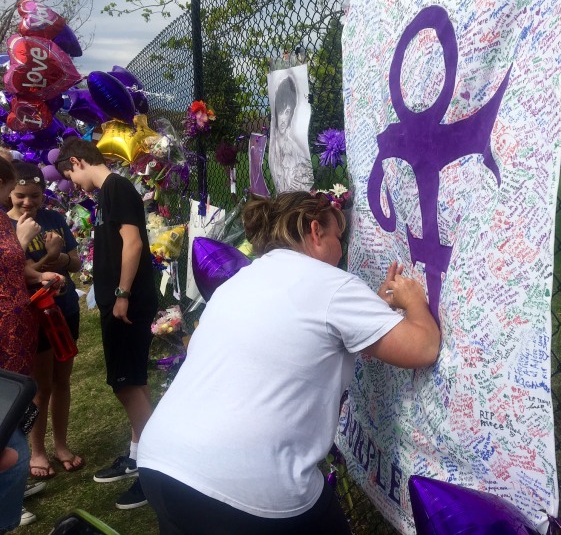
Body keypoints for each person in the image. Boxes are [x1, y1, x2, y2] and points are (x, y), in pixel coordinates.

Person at [137, 191, 441, 534]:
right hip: (253, 486)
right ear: (315, 231)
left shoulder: (239, 282)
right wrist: (413, 300)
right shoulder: (331, 285)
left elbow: (302, 337)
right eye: (338, 237)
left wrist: (373, 310)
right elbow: (424, 348)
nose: (341, 251)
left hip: (161, 463)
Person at [56, 137, 158, 510]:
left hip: (126, 303)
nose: (72, 183)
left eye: (69, 175)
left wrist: (121, 294)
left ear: (77, 162)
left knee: (125, 385)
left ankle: (155, 470)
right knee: (134, 380)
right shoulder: (109, 193)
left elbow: (132, 244)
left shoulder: (115, 188)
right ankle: (137, 454)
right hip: (121, 301)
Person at [7, 162, 84, 479]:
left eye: (35, 196)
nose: (28, 203)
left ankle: (61, 445)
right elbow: (14, 271)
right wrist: (49, 259)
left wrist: (60, 255)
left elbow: (76, 262)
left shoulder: (54, 218)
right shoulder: (4, 226)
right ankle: (37, 452)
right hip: (32, 314)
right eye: (20, 196)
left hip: (63, 308)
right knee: (40, 387)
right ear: (10, 190)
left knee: (62, 381)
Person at [0, 157, 62, 533]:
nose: (10, 198)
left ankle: (13, 491)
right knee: (9, 431)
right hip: (4, 335)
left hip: (16, 334)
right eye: (8, 190)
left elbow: (12, 267)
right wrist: (22, 244)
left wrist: (39, 275)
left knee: (18, 411)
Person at [269, 75, 314, 194]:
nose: (283, 119)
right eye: (281, 111)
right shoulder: (274, 146)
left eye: (287, 112)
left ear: (291, 114)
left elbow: (306, 180)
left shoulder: (296, 150)